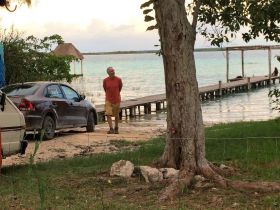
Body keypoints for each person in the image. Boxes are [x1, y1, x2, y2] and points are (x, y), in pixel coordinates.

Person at [103, 67, 123, 134]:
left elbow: (120, 88)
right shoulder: (105, 80)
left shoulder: (118, 79)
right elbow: (105, 89)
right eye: (111, 71)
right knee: (108, 114)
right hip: (108, 99)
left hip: (116, 99)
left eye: (113, 71)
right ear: (108, 73)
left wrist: (116, 93)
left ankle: (116, 128)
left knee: (116, 115)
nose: (113, 72)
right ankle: (111, 128)